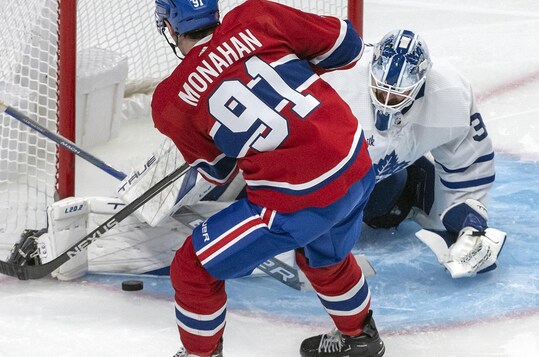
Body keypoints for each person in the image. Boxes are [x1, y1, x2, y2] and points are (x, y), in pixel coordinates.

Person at [152, 1, 384, 356]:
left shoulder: (170, 101)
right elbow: (348, 46)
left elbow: (220, 172)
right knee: (325, 254)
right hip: (356, 163)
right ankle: (361, 337)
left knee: (193, 267)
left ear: (170, 27)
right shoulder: (256, 15)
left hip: (296, 202)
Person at [321, 29, 507, 278]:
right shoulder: (335, 80)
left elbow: (469, 165)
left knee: (407, 210)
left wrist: (471, 227)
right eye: (380, 90)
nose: (387, 101)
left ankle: (408, 196)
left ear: (421, 85)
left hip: (382, 177)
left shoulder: (450, 95)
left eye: (398, 94)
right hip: (324, 179)